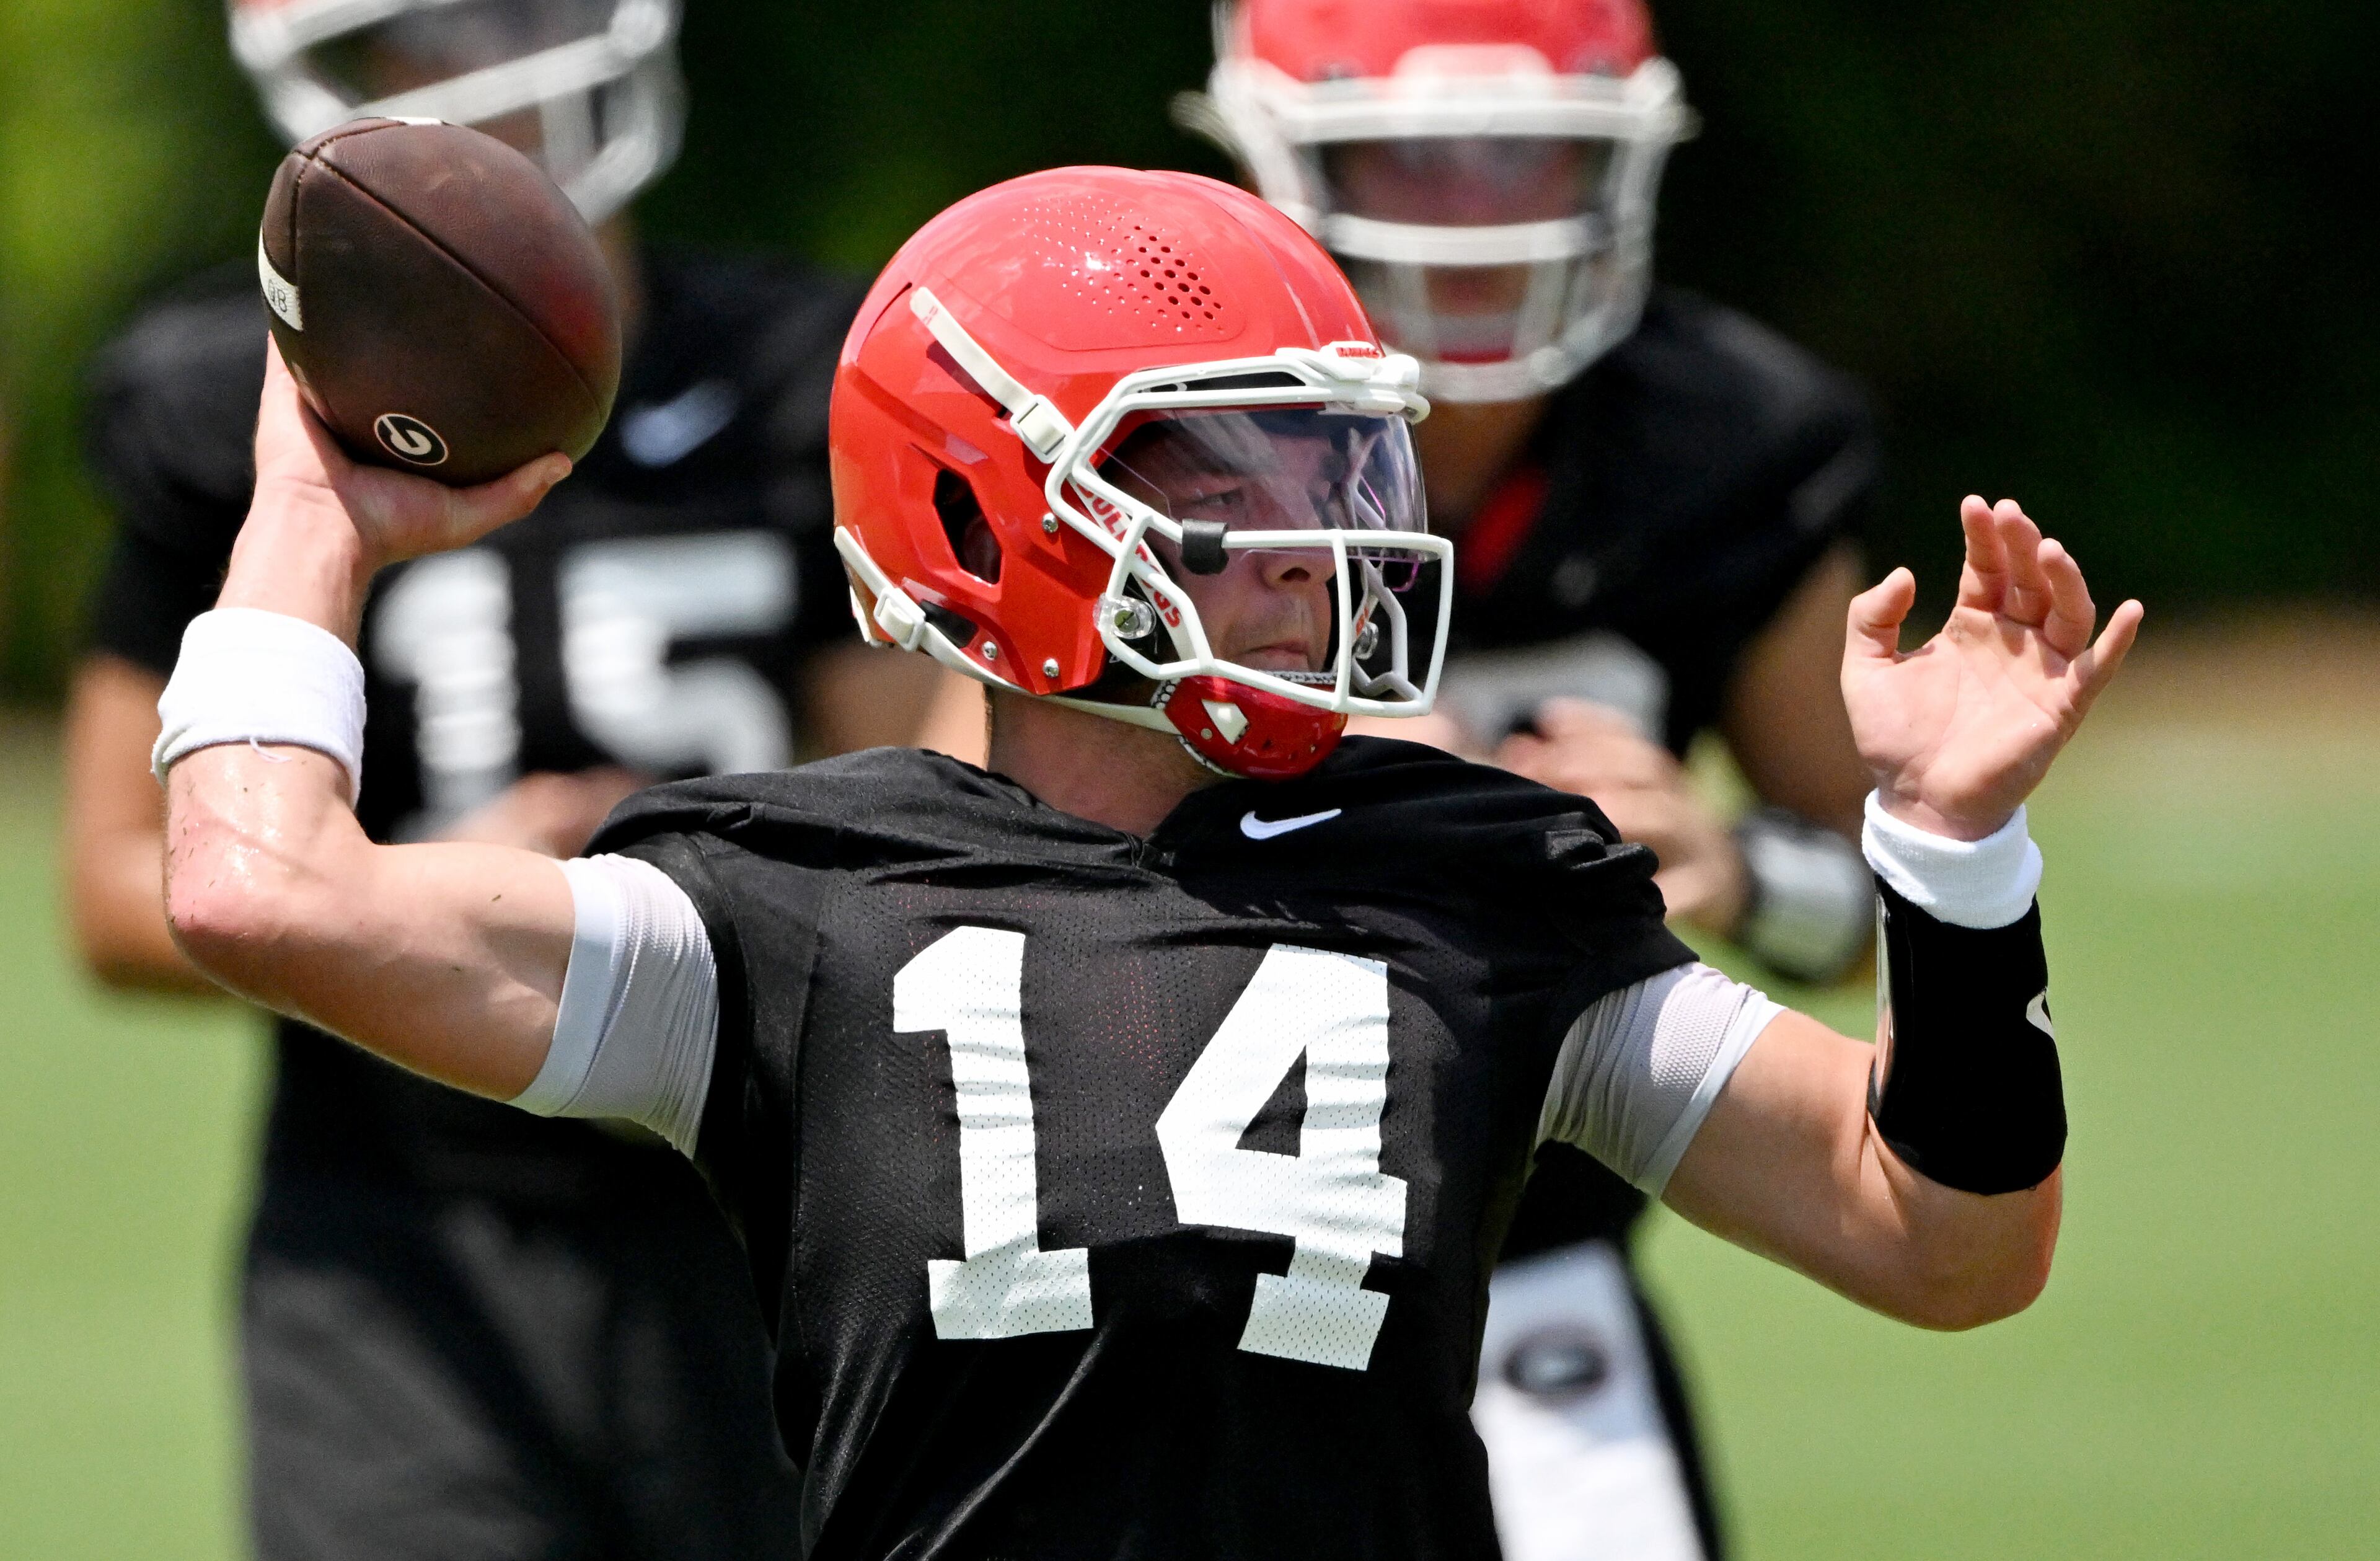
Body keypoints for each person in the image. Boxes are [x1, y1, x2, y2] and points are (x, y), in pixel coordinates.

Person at [150, 165, 2137, 1560]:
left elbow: (1944, 1238)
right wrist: (307, 522)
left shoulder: (1492, 885)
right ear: (980, 516)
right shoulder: (783, 905)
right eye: (1223, 474)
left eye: (1334, 461)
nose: (1318, 537)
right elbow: (261, 888)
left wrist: (1954, 852)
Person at [61, 1, 960, 1554]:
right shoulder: (233, 405)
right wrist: (402, 892)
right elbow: (112, 888)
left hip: (764, 1215)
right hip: (407, 1240)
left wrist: (698, 907)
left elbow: (911, 811)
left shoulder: (791, 369)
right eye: (427, 31)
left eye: (521, 7)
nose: (484, 64)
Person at [1180, 3, 1884, 1550]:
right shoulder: (1155, 428)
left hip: (1531, 1260)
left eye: (1530, 155)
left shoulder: (1720, 442)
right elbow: (977, 836)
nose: (1478, 214)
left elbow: (1862, 906)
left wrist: (1737, 866)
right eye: (1413, 160)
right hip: (1176, 1258)